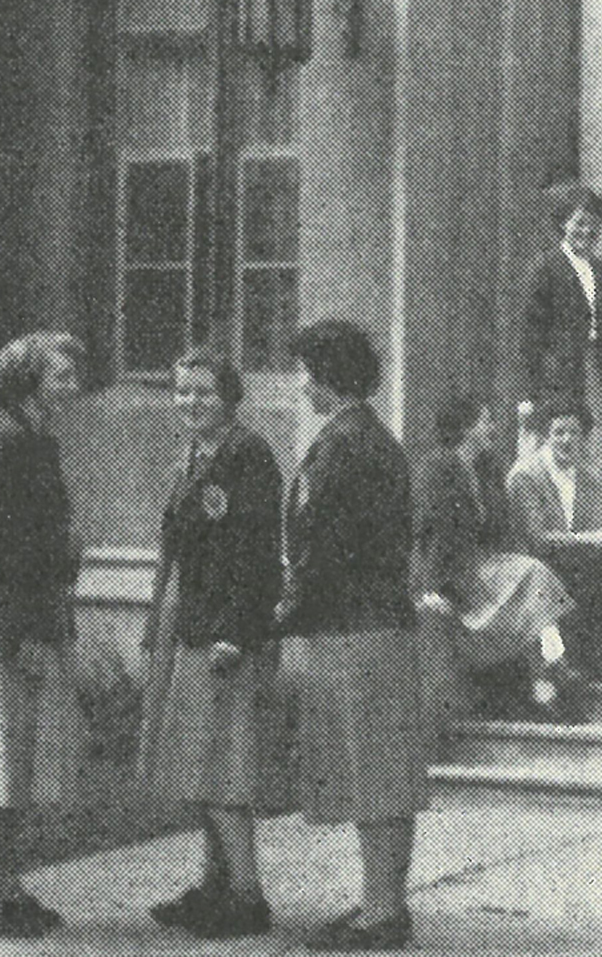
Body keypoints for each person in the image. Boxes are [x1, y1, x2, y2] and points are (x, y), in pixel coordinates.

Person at [275, 320, 425, 953]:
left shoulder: (345, 446)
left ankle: (384, 911)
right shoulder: (369, 439)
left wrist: (286, 612)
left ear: (329, 375)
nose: (301, 383)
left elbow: (325, 549)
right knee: (377, 771)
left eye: (307, 370)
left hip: (354, 630)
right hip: (372, 625)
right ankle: (378, 902)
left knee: (376, 772)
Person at [139, 348, 283, 938]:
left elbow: (255, 554)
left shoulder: (247, 455)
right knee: (201, 763)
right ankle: (213, 885)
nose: (191, 402)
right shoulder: (195, 456)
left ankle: (248, 896)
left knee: (223, 767)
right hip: (191, 622)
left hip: (225, 633)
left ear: (230, 396)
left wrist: (235, 632)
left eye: (203, 392)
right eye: (182, 392)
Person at [0, 333, 86, 939]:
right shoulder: (9, 444)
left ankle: (6, 887)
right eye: (60, 375)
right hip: (12, 629)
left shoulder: (37, 440)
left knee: (20, 763)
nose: (72, 384)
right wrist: (20, 636)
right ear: (29, 379)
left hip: (35, 620)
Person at [414, 395, 577, 721]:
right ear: (466, 428)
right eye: (485, 421)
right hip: (453, 570)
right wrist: (431, 587)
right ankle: (553, 666)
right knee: (533, 574)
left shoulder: (487, 467)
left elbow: (500, 528)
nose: (491, 427)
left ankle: (547, 676)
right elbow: (427, 533)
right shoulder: (436, 469)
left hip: (487, 563)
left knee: (533, 575)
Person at [506, 401, 602, 680]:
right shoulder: (527, 475)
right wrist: (592, 539)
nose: (567, 440)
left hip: (575, 563)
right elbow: (537, 539)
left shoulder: (588, 478)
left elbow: (589, 531)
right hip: (538, 567)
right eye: (559, 432)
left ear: (583, 439)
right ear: (546, 436)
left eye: (574, 433)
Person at [521, 182, 602, 510]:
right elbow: (530, 337)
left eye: (594, 224)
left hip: (595, 373)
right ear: (563, 223)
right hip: (559, 377)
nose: (587, 230)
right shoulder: (545, 268)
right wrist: (529, 394)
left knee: (597, 455)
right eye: (579, 222)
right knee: (556, 458)